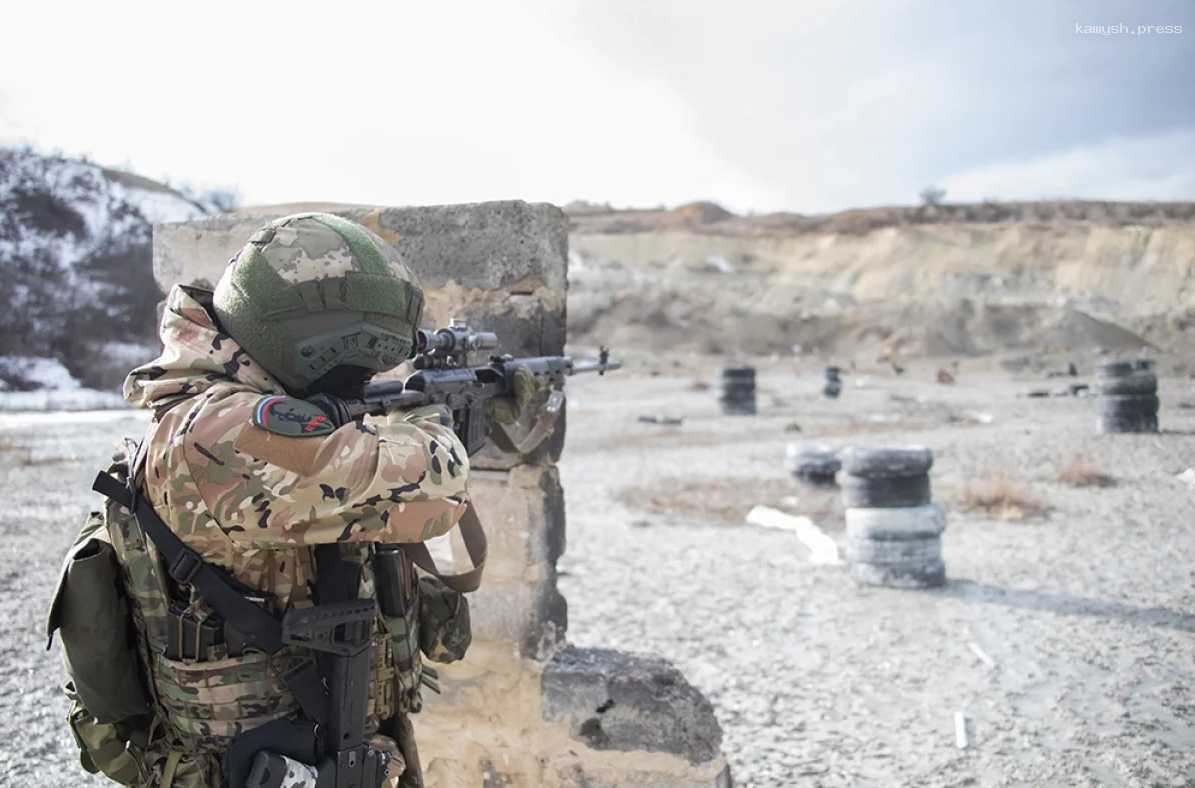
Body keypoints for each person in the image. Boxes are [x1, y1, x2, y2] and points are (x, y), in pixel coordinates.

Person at [103, 212, 523, 787]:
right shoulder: (215, 433)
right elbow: (434, 480)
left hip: (334, 744)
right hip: (261, 764)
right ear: (312, 342)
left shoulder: (274, 418)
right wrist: (437, 427)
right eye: (362, 358)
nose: (370, 373)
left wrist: (432, 422)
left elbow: (457, 566)